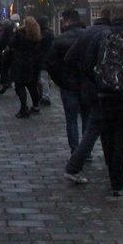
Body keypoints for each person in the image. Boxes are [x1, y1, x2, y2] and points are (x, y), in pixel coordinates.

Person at [73, 3, 123, 196]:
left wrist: (100, 82)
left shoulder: (99, 37)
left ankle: (112, 173)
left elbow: (86, 65)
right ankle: (117, 183)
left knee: (107, 135)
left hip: (105, 94)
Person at [62, 6, 112, 184]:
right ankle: (80, 163)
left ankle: (77, 159)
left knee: (90, 125)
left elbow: (69, 59)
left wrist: (82, 79)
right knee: (100, 127)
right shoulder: (112, 35)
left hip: (87, 88)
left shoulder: (87, 34)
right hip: (109, 89)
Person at [46, 9, 87, 153]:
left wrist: (60, 81)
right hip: (86, 85)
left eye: (63, 21)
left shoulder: (60, 40)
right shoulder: (89, 37)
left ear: (68, 21)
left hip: (68, 85)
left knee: (71, 119)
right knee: (87, 119)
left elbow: (51, 64)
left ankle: (75, 150)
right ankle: (86, 150)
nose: (62, 24)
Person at [7, 16, 43, 118]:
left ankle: (23, 108)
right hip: (32, 63)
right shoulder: (36, 35)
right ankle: (35, 105)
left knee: (19, 86)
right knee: (32, 86)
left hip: (20, 63)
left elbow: (11, 44)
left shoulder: (20, 34)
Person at [36, 15, 54, 106]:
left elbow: (40, 46)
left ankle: (45, 97)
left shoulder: (45, 34)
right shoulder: (48, 32)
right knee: (43, 79)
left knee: (43, 79)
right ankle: (44, 96)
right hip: (45, 58)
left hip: (43, 59)